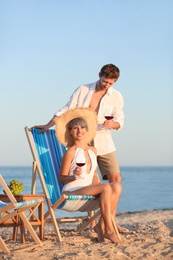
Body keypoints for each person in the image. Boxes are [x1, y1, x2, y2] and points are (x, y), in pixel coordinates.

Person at [32, 63, 125, 232]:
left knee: (116, 180)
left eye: (111, 83)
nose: (107, 85)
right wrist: (48, 125)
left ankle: (108, 220)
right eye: (105, 81)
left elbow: (121, 120)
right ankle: (101, 222)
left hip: (104, 140)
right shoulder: (83, 90)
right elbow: (67, 109)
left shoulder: (116, 96)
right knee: (92, 179)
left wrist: (114, 124)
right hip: (84, 140)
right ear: (100, 75)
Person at [55, 107, 122, 245]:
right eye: (75, 128)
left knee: (116, 186)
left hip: (87, 189)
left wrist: (99, 185)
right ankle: (108, 229)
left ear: (86, 130)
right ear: (70, 132)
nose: (79, 131)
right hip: (71, 190)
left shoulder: (93, 150)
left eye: (82, 127)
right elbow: (62, 178)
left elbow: (94, 176)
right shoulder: (71, 152)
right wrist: (73, 176)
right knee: (105, 188)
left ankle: (100, 226)